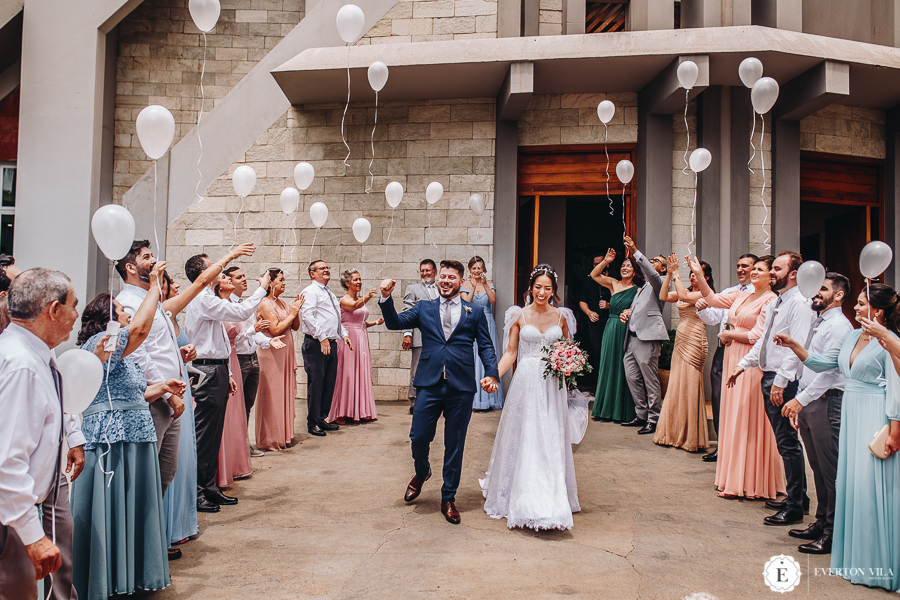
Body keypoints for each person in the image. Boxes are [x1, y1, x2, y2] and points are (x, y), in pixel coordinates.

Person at [116, 241, 253, 522]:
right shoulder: (130, 303)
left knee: (166, 474)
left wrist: (180, 357)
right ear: (130, 268)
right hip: (157, 396)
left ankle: (158, 535)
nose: (154, 261)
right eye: (146, 258)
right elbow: (138, 351)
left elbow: (159, 346)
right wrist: (166, 392)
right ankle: (144, 540)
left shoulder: (153, 299)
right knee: (149, 475)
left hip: (174, 391)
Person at [72, 265, 187, 599]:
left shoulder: (125, 357)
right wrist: (153, 288)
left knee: (137, 509)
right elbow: (139, 330)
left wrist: (162, 385)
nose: (125, 314)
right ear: (104, 318)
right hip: (113, 441)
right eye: (121, 309)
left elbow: (133, 395)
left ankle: (132, 575)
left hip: (135, 438)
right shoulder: (101, 342)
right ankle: (107, 579)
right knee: (114, 511)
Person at [776, 283, 900, 592]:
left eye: (861, 304)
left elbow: (896, 383)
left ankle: (879, 561)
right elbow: (823, 363)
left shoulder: (890, 341)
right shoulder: (852, 336)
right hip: (852, 412)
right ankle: (855, 555)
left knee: (873, 487)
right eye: (856, 303)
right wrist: (795, 346)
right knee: (853, 484)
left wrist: (895, 428)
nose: (856, 309)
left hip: (875, 414)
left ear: (879, 311)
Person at [379, 260, 499, 525]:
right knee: (418, 437)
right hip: (430, 384)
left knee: (454, 445)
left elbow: (486, 347)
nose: (445, 280)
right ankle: (422, 472)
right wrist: (386, 298)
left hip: (461, 387)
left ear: (460, 281)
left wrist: (492, 372)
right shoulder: (425, 308)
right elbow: (395, 322)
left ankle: (448, 498)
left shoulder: (474, 311)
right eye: (442, 276)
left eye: (451, 277)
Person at [0, 268, 87, 600]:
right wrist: (32, 535)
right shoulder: (22, 365)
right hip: (9, 523)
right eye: (73, 305)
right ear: (53, 310)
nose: (76, 314)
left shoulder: (31, 353)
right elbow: (7, 460)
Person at [481, 264, 580, 530]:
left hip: (552, 385)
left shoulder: (562, 316)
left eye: (547, 288)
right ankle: (523, 495)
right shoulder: (519, 315)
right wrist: (494, 376)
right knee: (527, 434)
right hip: (526, 381)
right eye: (538, 287)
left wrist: (570, 365)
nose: (542, 292)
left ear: (553, 291)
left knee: (549, 434)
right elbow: (511, 353)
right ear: (531, 287)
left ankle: (552, 495)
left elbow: (567, 349)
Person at [725, 252, 814, 526]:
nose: (772, 272)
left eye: (777, 268)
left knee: (788, 444)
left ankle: (795, 505)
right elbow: (765, 340)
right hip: (769, 374)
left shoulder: (799, 303)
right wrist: (744, 364)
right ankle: (797, 496)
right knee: (784, 442)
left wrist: (780, 381)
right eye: (772, 268)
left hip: (781, 380)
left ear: (794, 274)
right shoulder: (780, 301)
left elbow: (794, 345)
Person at [689, 255, 784, 500]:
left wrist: (729, 335)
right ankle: (732, 478)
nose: (753, 273)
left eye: (759, 270)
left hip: (750, 362)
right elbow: (711, 299)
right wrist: (699, 274)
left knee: (746, 417)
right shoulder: (742, 295)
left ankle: (751, 481)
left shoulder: (771, 300)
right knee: (731, 416)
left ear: (770, 277)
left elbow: (758, 335)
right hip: (733, 356)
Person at [184, 252, 271, 510]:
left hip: (218, 368)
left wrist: (229, 373)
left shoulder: (210, 298)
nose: (219, 271)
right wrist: (262, 289)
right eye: (214, 268)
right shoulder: (201, 298)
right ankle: (199, 491)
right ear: (203, 275)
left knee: (214, 434)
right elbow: (242, 310)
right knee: (205, 434)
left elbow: (221, 341)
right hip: (206, 370)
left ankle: (210, 487)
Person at [776, 273, 852, 554]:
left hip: (826, 402)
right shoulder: (819, 322)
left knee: (830, 472)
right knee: (817, 469)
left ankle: (833, 532)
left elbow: (830, 372)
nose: (816, 293)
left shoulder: (839, 327)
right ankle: (821, 522)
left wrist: (801, 400)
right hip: (810, 402)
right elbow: (808, 363)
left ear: (839, 295)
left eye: (823, 289)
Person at [695, 253, 757, 462]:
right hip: (724, 349)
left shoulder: (761, 295)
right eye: (738, 265)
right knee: (720, 397)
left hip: (748, 352)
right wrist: (702, 309)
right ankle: (722, 446)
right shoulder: (731, 292)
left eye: (745, 266)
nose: (740, 269)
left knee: (744, 400)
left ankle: (743, 449)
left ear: (756, 269)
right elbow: (714, 318)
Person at [652, 255, 712, 452]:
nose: (693, 278)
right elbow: (663, 296)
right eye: (692, 275)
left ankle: (690, 435)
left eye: (697, 274)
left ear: (706, 277)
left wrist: (676, 272)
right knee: (677, 382)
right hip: (681, 338)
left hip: (695, 339)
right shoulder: (684, 289)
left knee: (690, 383)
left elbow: (685, 299)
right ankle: (674, 430)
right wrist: (669, 274)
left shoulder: (706, 293)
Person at [157, 271, 201, 541]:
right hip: (168, 390)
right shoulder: (161, 310)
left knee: (183, 459)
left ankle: (181, 524)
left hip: (182, 383)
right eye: (170, 282)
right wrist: (228, 258)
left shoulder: (171, 317)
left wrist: (183, 355)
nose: (175, 285)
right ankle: (168, 528)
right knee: (171, 460)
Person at [225, 266, 284, 456]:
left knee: (247, 406)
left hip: (252, 358)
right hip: (238, 359)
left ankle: (243, 444)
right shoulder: (227, 306)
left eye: (244, 275)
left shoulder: (246, 304)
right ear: (227, 281)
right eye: (238, 277)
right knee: (236, 407)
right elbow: (232, 338)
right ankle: (234, 447)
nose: (244, 279)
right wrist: (254, 329)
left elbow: (254, 334)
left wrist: (268, 341)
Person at [619, 236, 669, 435]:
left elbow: (651, 273)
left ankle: (653, 418)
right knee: (632, 377)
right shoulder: (643, 287)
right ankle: (640, 413)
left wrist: (635, 251)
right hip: (631, 338)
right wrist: (627, 314)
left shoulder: (661, 281)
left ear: (663, 268)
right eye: (652, 260)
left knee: (650, 380)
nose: (653, 262)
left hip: (647, 339)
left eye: (657, 261)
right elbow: (638, 310)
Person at [589, 249, 642, 422]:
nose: (624, 268)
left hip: (626, 329)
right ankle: (605, 409)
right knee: (608, 365)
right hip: (611, 327)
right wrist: (606, 261)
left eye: (628, 266)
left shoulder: (638, 290)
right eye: (622, 265)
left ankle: (622, 411)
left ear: (634, 271)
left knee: (624, 368)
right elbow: (594, 274)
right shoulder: (613, 283)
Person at [301, 261, 353, 436]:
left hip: (331, 342)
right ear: (312, 273)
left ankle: (322, 417)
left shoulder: (329, 292)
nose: (326, 270)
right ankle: (312, 422)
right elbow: (307, 315)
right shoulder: (310, 291)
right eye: (321, 268)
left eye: (327, 267)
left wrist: (343, 333)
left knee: (329, 382)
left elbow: (336, 318)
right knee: (316, 383)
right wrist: (322, 337)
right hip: (316, 343)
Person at [255, 268, 303, 450]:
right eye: (281, 280)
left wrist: (296, 311)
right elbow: (275, 330)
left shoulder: (282, 302)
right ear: (271, 283)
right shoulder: (266, 304)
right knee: (273, 396)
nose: (284, 283)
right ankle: (271, 439)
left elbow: (295, 327)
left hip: (285, 353)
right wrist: (291, 314)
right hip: (271, 354)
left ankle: (284, 434)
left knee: (285, 393)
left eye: (284, 280)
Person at [328, 269, 383, 423]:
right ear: (347, 283)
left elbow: (360, 323)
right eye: (355, 280)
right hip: (348, 339)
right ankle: (341, 412)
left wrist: (375, 322)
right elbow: (353, 307)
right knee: (347, 373)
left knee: (360, 372)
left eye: (360, 279)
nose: (359, 282)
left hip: (362, 339)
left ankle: (359, 410)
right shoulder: (344, 300)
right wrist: (368, 297)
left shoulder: (359, 299)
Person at [216, 273, 253, 487]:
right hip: (225, 359)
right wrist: (253, 331)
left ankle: (235, 460)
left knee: (238, 411)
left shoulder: (232, 305)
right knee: (226, 413)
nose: (230, 281)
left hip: (233, 361)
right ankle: (223, 465)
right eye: (228, 278)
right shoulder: (216, 307)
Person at [461, 256, 505, 411]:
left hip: (487, 322)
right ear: (470, 270)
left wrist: (485, 284)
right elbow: (466, 304)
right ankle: (473, 400)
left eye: (479, 267)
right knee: (473, 358)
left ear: (483, 269)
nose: (477, 270)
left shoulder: (490, 284)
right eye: (474, 268)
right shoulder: (464, 284)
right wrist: (473, 287)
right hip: (472, 323)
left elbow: (492, 301)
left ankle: (490, 398)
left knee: (487, 356)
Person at [402, 259, 438, 415]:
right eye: (422, 271)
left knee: (437, 367)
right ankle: (414, 400)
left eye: (428, 271)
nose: (424, 273)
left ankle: (435, 399)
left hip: (439, 337)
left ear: (435, 272)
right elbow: (407, 312)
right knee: (417, 368)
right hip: (420, 335)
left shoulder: (442, 288)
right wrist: (407, 334)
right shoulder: (413, 288)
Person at [579, 254, 610, 383]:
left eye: (600, 263)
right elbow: (582, 301)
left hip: (611, 322)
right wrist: (589, 312)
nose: (597, 266)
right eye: (595, 264)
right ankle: (599, 385)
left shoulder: (614, 280)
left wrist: (609, 305)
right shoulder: (588, 281)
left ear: (606, 263)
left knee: (611, 353)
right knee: (597, 353)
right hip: (595, 324)